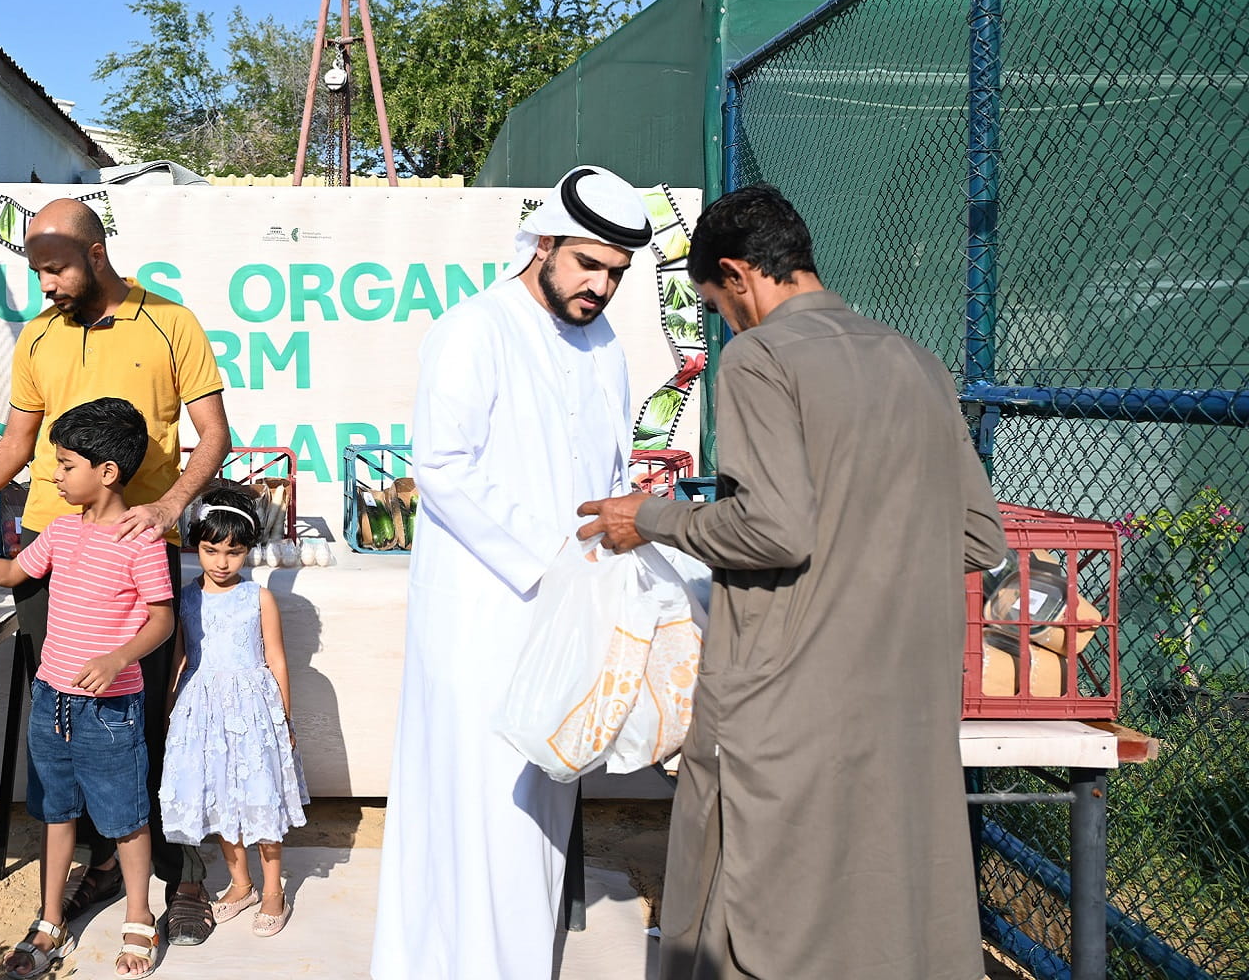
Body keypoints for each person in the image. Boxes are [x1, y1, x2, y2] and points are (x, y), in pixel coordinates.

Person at [578, 183, 1006, 980]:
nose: (727, 321)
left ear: (739, 276)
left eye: (717, 304)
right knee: (885, 917)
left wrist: (653, 517)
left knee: (752, 910)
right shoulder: (915, 361)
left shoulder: (762, 358)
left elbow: (774, 528)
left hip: (784, 701)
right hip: (903, 702)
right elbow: (979, 535)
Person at [0, 197, 230, 944]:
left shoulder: (170, 323)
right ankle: (99, 865)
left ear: (93, 255)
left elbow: (213, 434)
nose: (46, 286)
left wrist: (169, 506)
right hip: (50, 550)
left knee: (143, 716)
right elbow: (17, 445)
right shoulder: (39, 337)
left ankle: (178, 874)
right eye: (37, 272)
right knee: (68, 716)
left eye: (54, 269)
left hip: (136, 552)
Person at [371, 165, 654, 980]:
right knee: (475, 793)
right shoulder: (474, 329)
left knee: (543, 793)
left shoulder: (604, 344)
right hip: (482, 611)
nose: (600, 287)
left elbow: (609, 471)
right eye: (589, 265)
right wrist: (553, 557)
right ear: (545, 245)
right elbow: (444, 466)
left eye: (616, 275)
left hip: (571, 612)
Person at [0, 397, 175, 979]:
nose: (55, 475)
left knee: (125, 819)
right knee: (55, 811)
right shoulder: (60, 531)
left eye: (66, 465)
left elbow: (162, 619)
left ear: (107, 473)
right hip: (51, 699)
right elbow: (13, 572)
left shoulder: (141, 540)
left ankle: (138, 915)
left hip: (110, 709)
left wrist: (119, 656)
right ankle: (50, 919)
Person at [158, 485, 308, 939]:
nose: (222, 562)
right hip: (201, 710)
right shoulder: (185, 598)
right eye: (210, 550)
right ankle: (240, 884)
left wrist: (283, 717)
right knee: (220, 796)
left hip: (254, 709)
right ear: (196, 546)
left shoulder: (258, 598)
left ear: (247, 552)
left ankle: (272, 891)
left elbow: (276, 660)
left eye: (233, 552)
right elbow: (182, 657)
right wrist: (169, 713)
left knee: (260, 795)